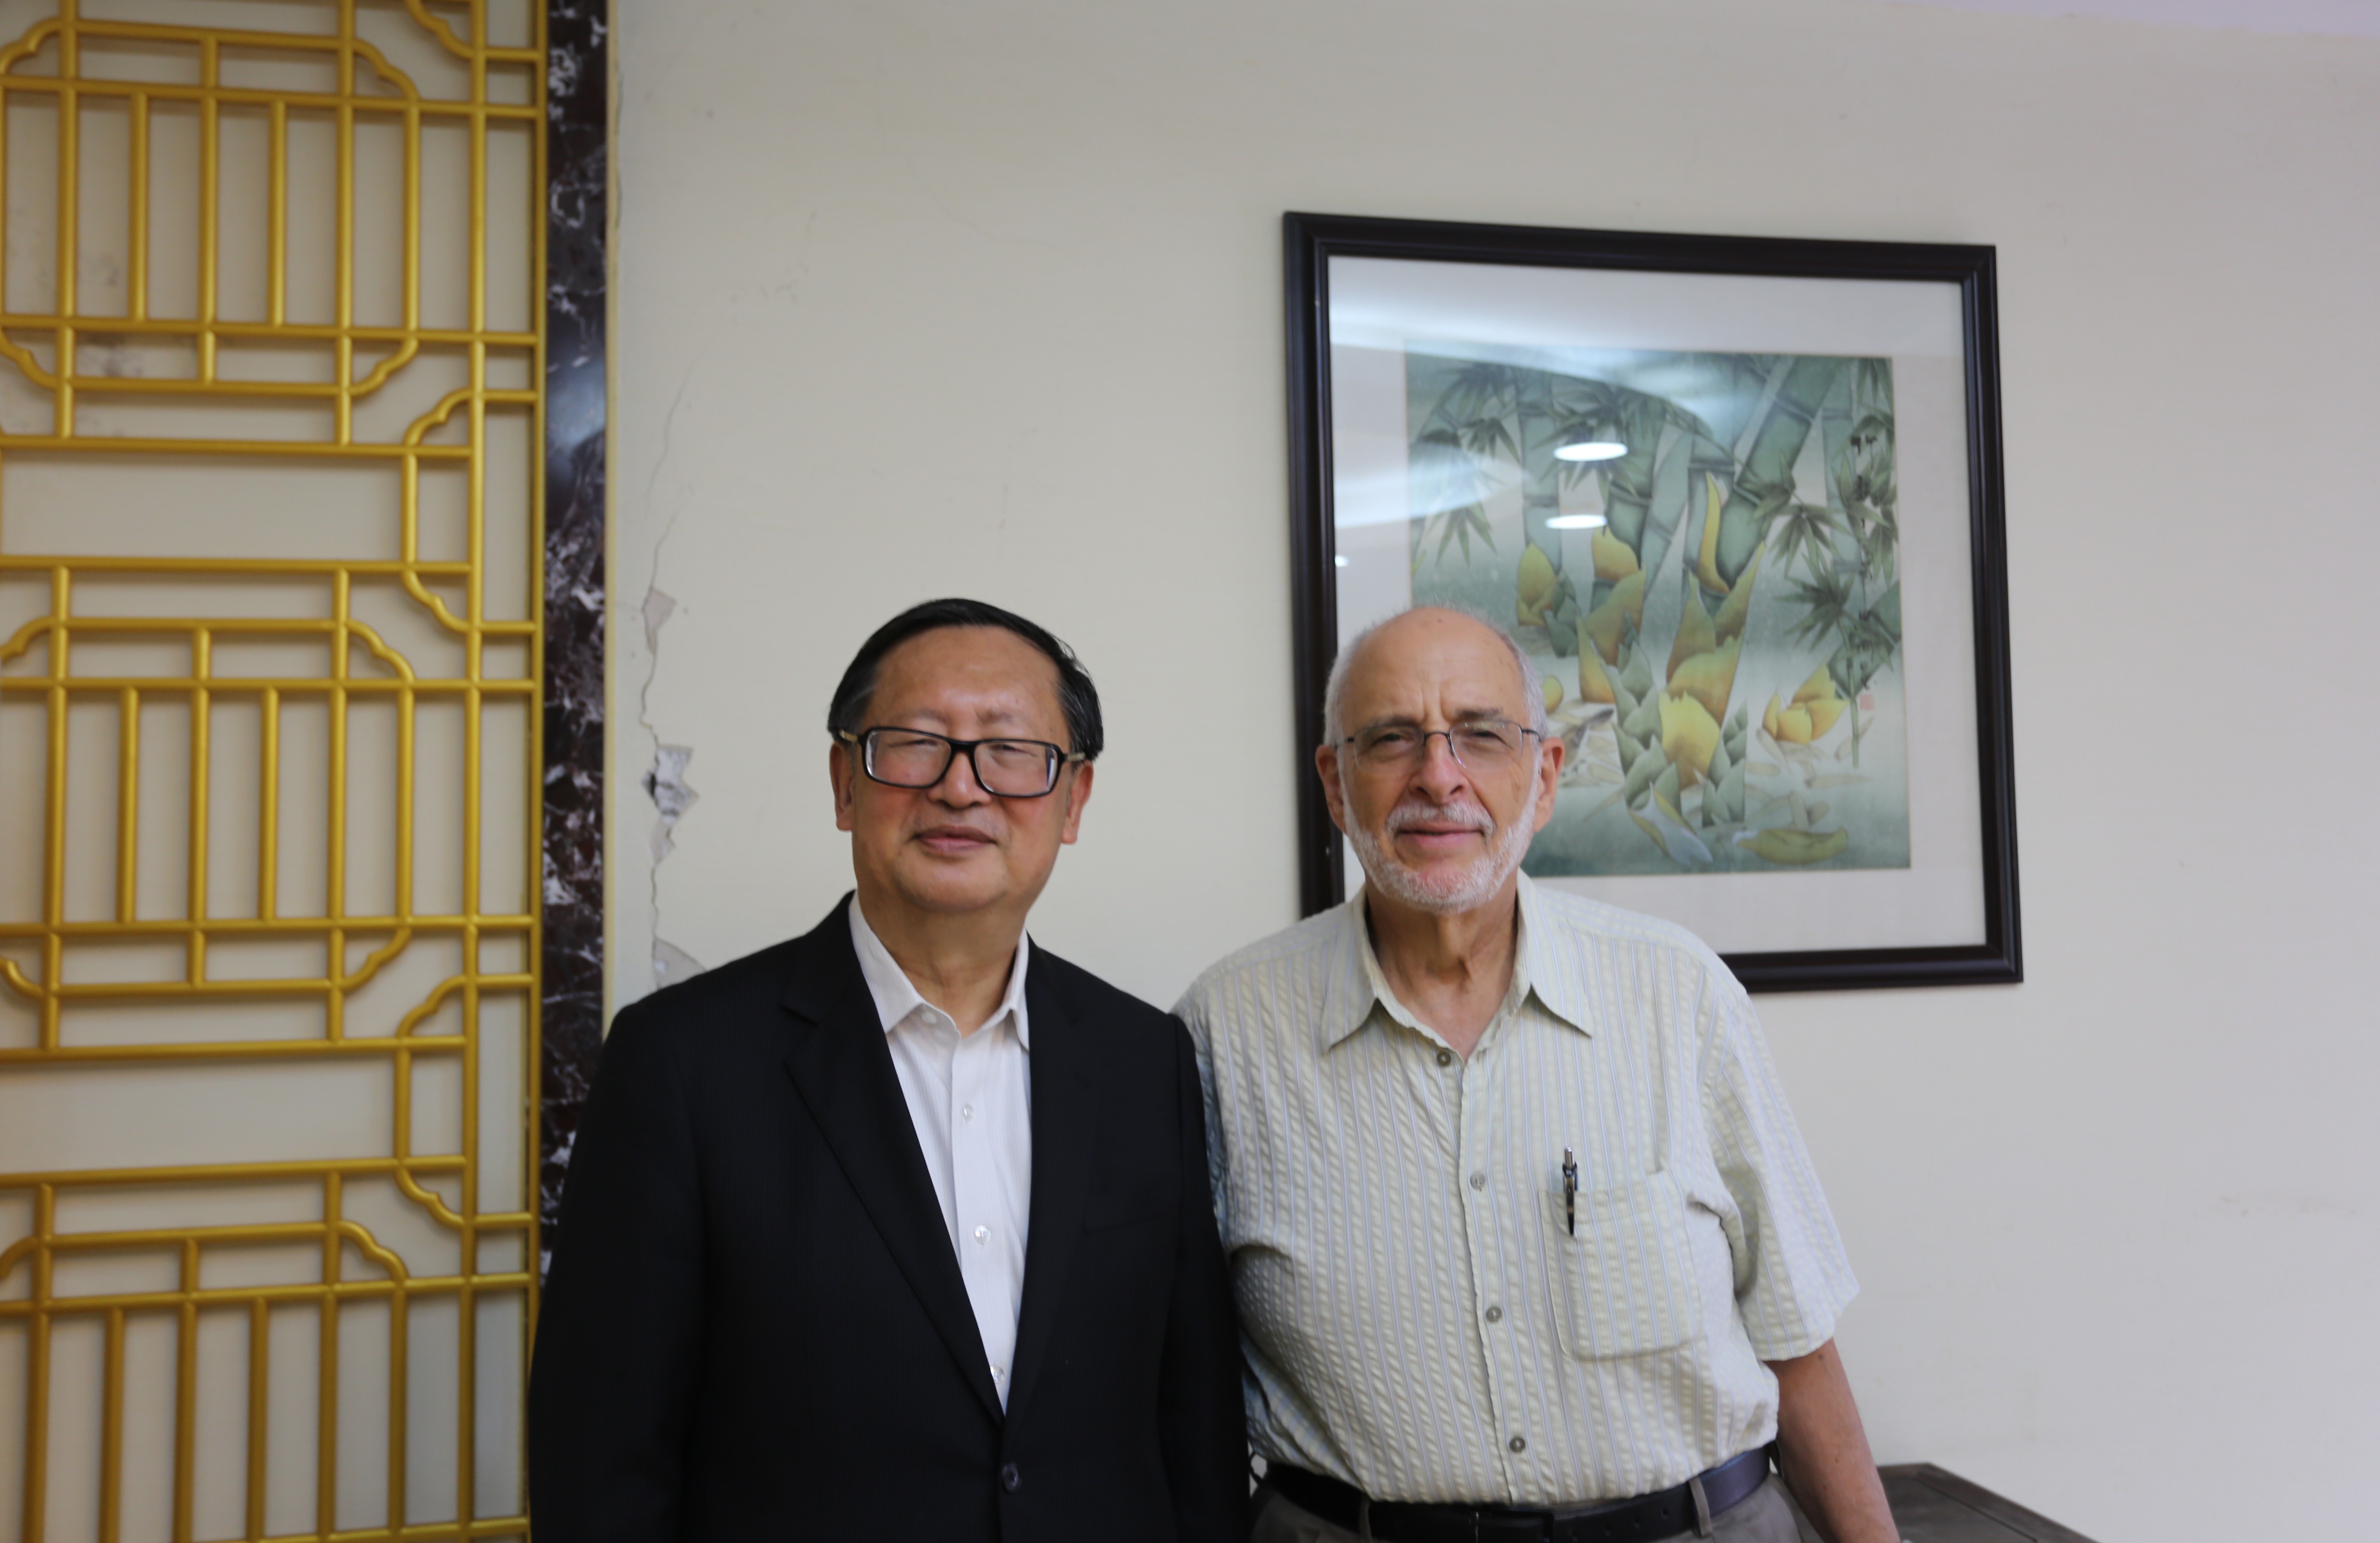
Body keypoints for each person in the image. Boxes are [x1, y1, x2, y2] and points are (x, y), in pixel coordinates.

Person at [1175, 607, 1900, 1543]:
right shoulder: (1221, 1031)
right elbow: (1161, 1380)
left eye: (1480, 735)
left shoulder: (1677, 993)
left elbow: (1795, 1340)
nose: (1439, 776)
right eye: (1392, 739)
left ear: (1546, 775)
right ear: (1335, 784)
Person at [530, 598, 1246, 1543]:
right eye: (915, 743)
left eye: (1010, 751)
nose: (961, 787)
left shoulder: (1144, 1059)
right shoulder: (680, 1063)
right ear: (845, 784)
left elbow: (1196, 1430)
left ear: (1073, 801)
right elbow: (601, 1460)